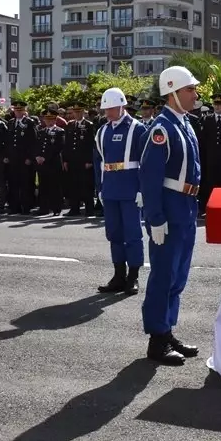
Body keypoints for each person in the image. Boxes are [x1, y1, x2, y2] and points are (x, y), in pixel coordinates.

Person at [139, 66, 203, 365]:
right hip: (169, 207)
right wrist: (155, 218)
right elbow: (149, 178)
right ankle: (156, 340)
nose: (195, 94)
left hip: (186, 207)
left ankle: (167, 331)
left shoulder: (184, 123)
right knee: (164, 275)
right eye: (190, 89)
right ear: (173, 92)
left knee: (178, 276)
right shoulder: (161, 129)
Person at [93, 87, 148, 295]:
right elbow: (98, 161)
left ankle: (133, 276)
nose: (107, 113)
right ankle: (118, 275)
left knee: (133, 234)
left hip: (130, 189)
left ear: (122, 106)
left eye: (111, 108)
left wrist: (142, 189)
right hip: (110, 189)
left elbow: (145, 162)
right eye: (105, 109)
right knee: (114, 234)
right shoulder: (103, 131)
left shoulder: (137, 128)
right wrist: (99, 188)